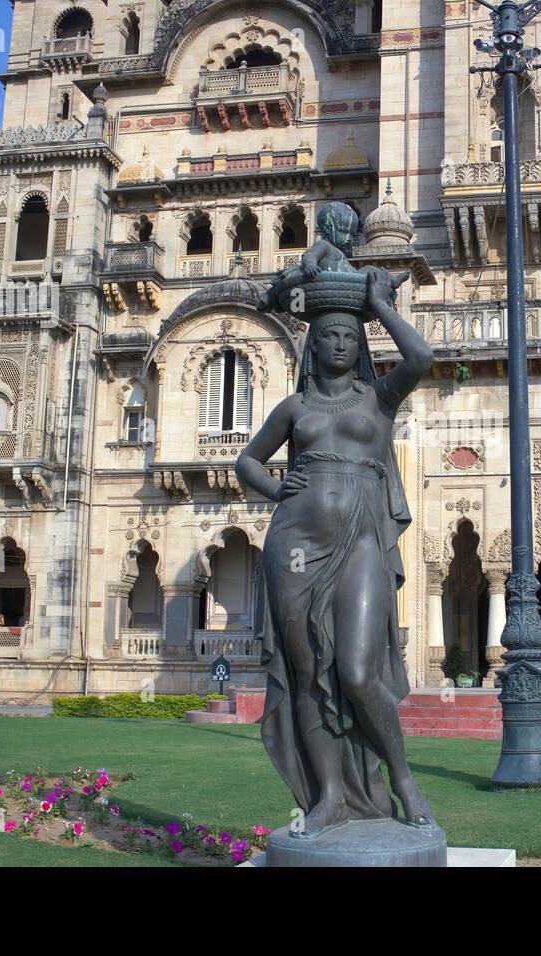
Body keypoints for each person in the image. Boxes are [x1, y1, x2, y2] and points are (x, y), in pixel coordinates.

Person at [236, 204, 435, 839]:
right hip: (294, 540)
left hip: (360, 541)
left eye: (351, 335)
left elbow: (422, 358)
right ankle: (326, 797)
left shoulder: (379, 399)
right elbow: (246, 461)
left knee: (354, 669)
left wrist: (378, 305)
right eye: (331, 335)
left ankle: (402, 780)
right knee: (305, 674)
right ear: (314, 344)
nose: (341, 342)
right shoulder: (294, 408)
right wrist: (273, 486)